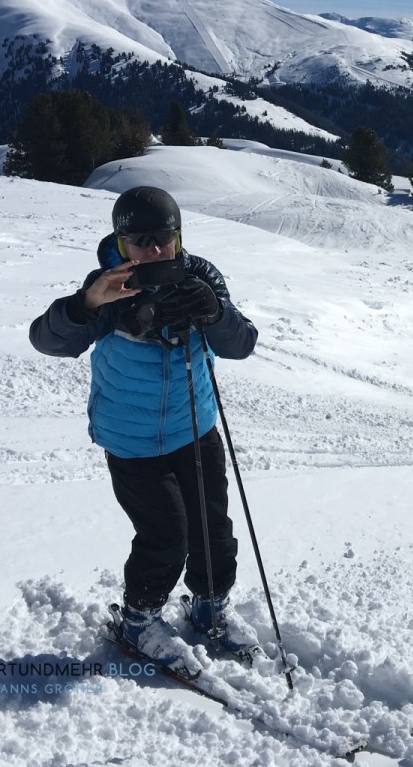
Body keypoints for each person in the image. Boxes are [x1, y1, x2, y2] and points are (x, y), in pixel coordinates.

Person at [29, 185, 259, 669]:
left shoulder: (201, 278)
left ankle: (209, 606)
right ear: (121, 241)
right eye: (140, 240)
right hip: (131, 441)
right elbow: (48, 342)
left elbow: (241, 345)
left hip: (195, 429)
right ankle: (139, 617)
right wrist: (86, 304)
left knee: (212, 526)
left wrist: (214, 312)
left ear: (179, 236)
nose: (154, 250)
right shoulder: (109, 289)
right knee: (166, 533)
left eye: (164, 238)